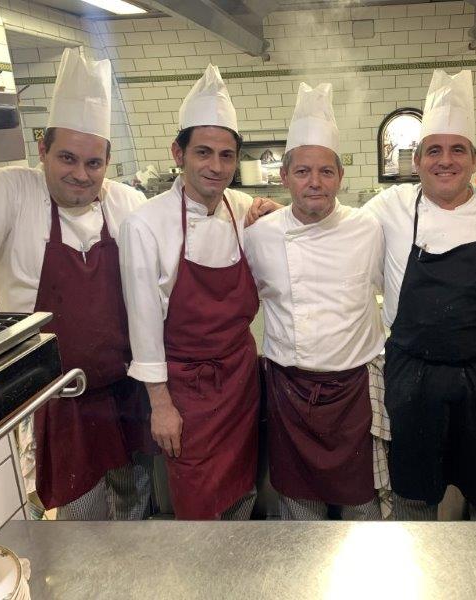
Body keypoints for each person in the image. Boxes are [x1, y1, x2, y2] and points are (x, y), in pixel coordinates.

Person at [0, 47, 151, 520]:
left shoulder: (127, 202)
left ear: (108, 161)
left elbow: (190, 218)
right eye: (67, 158)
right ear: (42, 149)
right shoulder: (11, 192)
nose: (80, 175)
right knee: (81, 516)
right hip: (54, 398)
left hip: (124, 388)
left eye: (93, 163)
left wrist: (253, 209)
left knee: (134, 499)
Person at [119, 64, 278, 520]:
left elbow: (295, 224)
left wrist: (275, 206)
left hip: (240, 380)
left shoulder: (243, 207)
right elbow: (143, 323)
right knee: (197, 496)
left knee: (243, 480)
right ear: (178, 152)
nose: (216, 167)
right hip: (185, 391)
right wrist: (161, 405)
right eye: (204, 152)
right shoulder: (145, 224)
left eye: (227, 156)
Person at [363, 69, 476, 520]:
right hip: (412, 374)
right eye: (433, 150)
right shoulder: (387, 208)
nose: (444, 160)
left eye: (457, 150)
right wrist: (272, 209)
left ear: (474, 159)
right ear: (417, 161)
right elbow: (333, 227)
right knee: (414, 491)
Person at [244, 82, 386, 520]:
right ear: (283, 177)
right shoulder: (258, 234)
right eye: (302, 172)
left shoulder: (369, 227)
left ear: (341, 177)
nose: (315, 183)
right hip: (289, 388)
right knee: (297, 506)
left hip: (353, 392)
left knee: (362, 505)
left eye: (326, 171)